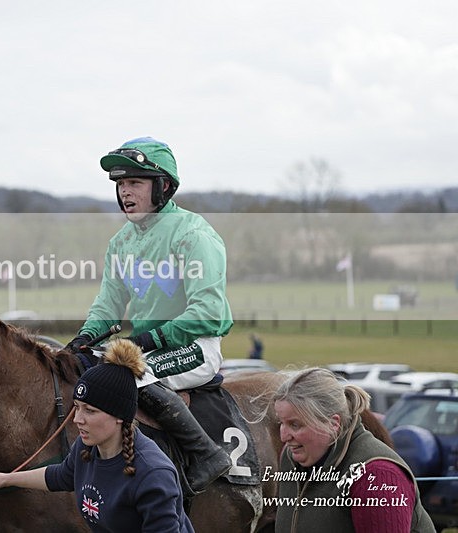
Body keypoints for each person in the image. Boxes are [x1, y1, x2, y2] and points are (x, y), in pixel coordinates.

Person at [65, 136, 233, 494]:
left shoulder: (194, 234)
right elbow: (108, 307)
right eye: (121, 184)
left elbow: (208, 311)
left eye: (135, 183)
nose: (125, 192)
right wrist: (84, 338)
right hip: (145, 348)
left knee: (128, 378)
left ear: (164, 187)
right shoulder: (121, 243)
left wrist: (148, 339)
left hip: (194, 346)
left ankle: (207, 454)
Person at [0, 339, 194, 533]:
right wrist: (3, 479)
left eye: (90, 411)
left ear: (119, 415)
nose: (78, 419)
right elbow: (60, 476)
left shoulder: (153, 474)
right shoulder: (86, 449)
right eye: (77, 407)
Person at [272, 368, 435, 533]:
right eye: (281, 423)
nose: (284, 436)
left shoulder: (378, 476)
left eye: (295, 425)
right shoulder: (290, 458)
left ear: (333, 423)